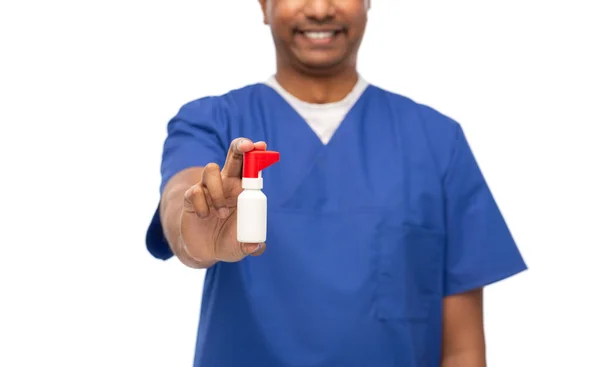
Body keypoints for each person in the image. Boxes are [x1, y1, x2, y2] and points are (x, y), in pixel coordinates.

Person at [145, 1, 527, 366]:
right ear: (264, 4)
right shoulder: (210, 123)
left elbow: (462, 352)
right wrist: (195, 230)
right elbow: (182, 200)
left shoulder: (438, 141)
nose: (320, 8)